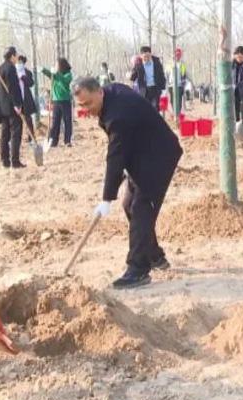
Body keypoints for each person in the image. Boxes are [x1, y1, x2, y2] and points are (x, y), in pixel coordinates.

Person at [72, 76, 182, 289]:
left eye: (89, 103)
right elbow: (122, 146)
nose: (86, 109)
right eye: (81, 105)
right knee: (129, 204)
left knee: (141, 207)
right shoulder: (111, 94)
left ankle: (138, 269)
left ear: (99, 92)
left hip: (159, 155)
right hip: (142, 152)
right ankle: (154, 255)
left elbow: (115, 155)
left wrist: (106, 198)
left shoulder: (117, 115)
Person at [0, 47, 26, 169]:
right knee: (16, 133)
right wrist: (17, 104)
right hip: (11, 107)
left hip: (2, 108)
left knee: (5, 134)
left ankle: (4, 160)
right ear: (12, 56)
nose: (17, 58)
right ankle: (15, 161)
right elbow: (13, 87)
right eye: (16, 55)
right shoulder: (10, 68)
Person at [43, 57, 74, 148]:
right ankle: (53, 141)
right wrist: (43, 70)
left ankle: (67, 141)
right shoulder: (55, 75)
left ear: (61, 65)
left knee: (67, 121)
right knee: (55, 122)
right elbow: (50, 74)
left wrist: (56, 73)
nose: (56, 66)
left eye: (57, 65)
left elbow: (63, 80)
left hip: (65, 101)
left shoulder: (68, 74)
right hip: (56, 101)